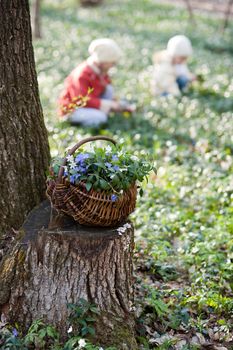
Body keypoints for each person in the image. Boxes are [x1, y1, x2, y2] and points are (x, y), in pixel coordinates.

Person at [58, 38, 131, 127]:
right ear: (103, 61)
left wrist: (117, 104)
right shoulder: (82, 75)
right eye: (112, 63)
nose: (113, 66)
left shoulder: (100, 71)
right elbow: (82, 100)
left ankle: (99, 113)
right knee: (101, 118)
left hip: (89, 104)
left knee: (109, 89)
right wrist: (110, 105)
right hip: (73, 109)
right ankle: (77, 123)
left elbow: (105, 86)